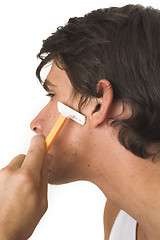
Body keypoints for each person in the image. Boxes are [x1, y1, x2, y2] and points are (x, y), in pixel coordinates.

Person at [1, 4, 160, 240]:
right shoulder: (120, 216)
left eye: (53, 95)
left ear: (99, 103)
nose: (35, 124)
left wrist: (6, 230)